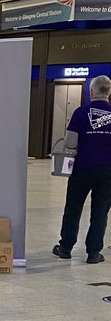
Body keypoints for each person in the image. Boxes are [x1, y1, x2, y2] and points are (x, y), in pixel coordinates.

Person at [54, 74, 111, 265]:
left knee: (73, 208)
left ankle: (65, 248)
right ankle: (94, 253)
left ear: (92, 91)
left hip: (83, 168)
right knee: (100, 211)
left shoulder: (80, 112)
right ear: (109, 92)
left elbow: (70, 143)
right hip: (108, 172)